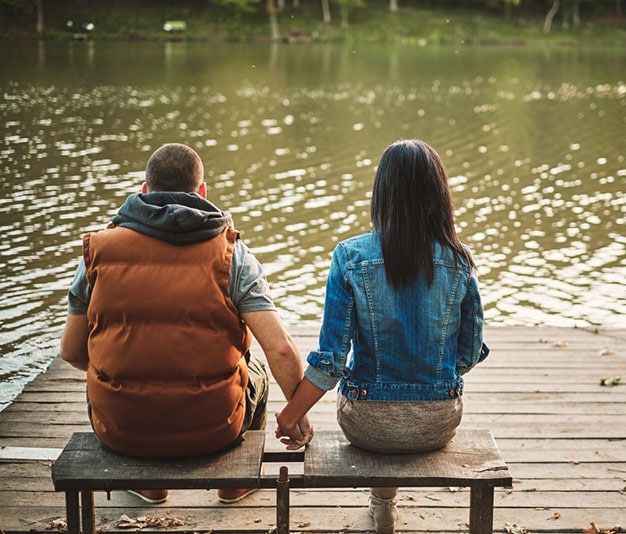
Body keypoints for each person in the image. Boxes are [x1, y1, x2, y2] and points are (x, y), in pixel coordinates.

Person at [60, 143, 313, 505]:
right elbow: (282, 349)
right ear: (202, 192)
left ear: (144, 190)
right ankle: (234, 484)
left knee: (102, 374)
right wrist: (297, 413)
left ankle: (150, 486)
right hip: (214, 430)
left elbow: (71, 352)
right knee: (254, 367)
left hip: (120, 430)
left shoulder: (98, 250)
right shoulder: (232, 254)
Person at [275, 139, 490, 533]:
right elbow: (470, 352)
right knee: (410, 387)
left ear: (382, 193)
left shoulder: (350, 257)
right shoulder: (460, 260)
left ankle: (382, 502)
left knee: (373, 391)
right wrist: (433, 371)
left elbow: (332, 362)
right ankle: (384, 504)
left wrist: (292, 414)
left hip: (366, 423)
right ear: (438, 196)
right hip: (437, 420)